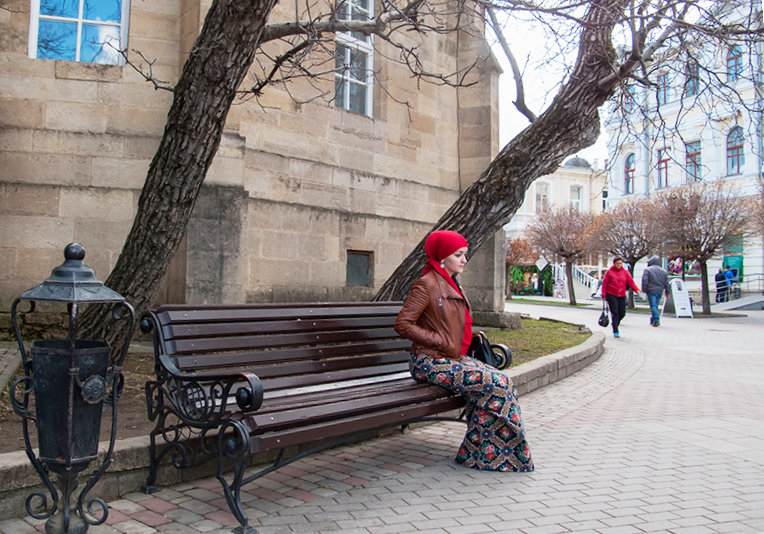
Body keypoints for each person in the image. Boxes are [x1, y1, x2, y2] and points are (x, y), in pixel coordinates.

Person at [394, 230, 534, 472]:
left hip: (451, 359)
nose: (464, 259)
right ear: (442, 257)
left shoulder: (452, 283)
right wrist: (438, 340)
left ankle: (479, 453)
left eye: (465, 254)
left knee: (503, 381)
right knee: (493, 382)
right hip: (428, 362)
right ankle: (488, 455)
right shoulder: (426, 285)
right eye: (458, 254)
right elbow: (403, 324)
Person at [601, 257, 640, 338]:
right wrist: (604, 295)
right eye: (617, 263)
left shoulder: (625, 272)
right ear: (614, 263)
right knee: (615, 312)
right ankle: (615, 330)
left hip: (621, 294)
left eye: (620, 264)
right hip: (611, 294)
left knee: (622, 313)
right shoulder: (609, 272)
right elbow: (604, 284)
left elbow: (631, 282)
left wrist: (636, 289)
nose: (619, 265)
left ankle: (615, 323)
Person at [641, 256, 670, 327]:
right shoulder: (664, 271)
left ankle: (656, 320)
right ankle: (653, 319)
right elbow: (667, 283)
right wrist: (667, 292)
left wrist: (644, 290)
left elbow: (644, 281)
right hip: (659, 291)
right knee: (655, 306)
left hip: (651, 291)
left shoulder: (647, 270)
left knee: (653, 306)